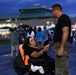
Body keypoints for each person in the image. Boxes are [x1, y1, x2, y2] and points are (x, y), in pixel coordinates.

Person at [49, 4, 71, 75]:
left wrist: (61, 48)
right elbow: (57, 37)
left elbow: (66, 32)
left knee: (60, 70)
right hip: (59, 44)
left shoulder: (63, 18)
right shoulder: (60, 20)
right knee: (64, 69)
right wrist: (49, 45)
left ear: (56, 10)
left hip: (62, 45)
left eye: (52, 11)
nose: (52, 13)